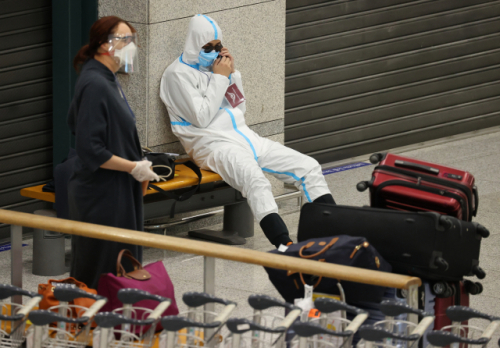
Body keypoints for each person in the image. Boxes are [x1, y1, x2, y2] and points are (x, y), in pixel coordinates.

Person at [160, 15, 335, 248]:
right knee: (256, 181)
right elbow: (201, 118)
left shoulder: (218, 69)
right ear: (193, 46)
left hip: (245, 136)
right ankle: (284, 244)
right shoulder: (176, 75)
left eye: (218, 46)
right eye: (207, 47)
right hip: (211, 145)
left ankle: (334, 231)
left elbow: (239, 108)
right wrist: (220, 78)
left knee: (308, 167)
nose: (214, 52)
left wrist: (232, 75)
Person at [68, 16, 159, 288]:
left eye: (132, 39)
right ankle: (95, 322)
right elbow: (89, 147)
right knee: (105, 264)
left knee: (121, 262)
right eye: (125, 39)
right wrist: (133, 167)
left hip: (118, 189)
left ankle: (116, 322)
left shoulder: (108, 79)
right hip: (103, 194)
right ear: (105, 45)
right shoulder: (95, 83)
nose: (131, 46)